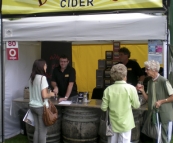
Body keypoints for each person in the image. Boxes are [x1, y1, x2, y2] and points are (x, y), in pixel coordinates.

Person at [101, 64, 140, 143]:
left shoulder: (108, 90)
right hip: (126, 123)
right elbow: (136, 105)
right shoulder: (131, 88)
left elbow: (103, 108)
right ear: (125, 75)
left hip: (113, 123)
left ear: (113, 76)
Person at [137, 60, 173, 143]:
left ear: (154, 69)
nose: (145, 71)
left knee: (165, 138)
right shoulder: (150, 82)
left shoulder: (164, 81)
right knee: (156, 137)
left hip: (164, 114)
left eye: (147, 69)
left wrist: (162, 101)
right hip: (154, 114)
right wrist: (142, 91)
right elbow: (148, 99)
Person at [29, 59, 55, 143]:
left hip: (32, 106)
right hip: (41, 107)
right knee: (43, 132)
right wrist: (51, 94)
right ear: (41, 67)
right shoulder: (42, 78)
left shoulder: (31, 78)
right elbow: (44, 95)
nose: (46, 67)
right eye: (45, 65)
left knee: (37, 130)